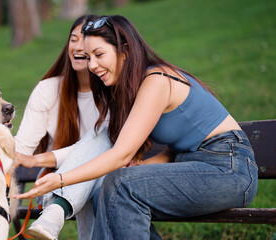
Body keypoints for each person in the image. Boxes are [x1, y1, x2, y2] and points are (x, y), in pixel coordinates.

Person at [15, 15, 258, 240]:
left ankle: (59, 208)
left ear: (125, 51)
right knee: (106, 190)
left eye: (99, 54)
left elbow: (121, 155)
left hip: (229, 169)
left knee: (120, 185)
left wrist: (61, 180)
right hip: (195, 163)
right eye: (88, 58)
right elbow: (174, 149)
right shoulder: (130, 90)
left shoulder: (157, 81)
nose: (91, 65)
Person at [14, 15, 111, 240]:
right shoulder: (48, 90)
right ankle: (55, 210)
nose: (78, 47)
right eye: (73, 39)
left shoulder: (113, 91)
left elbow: (108, 146)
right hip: (52, 184)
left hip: (105, 178)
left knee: (102, 145)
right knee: (97, 176)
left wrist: (38, 160)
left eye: (86, 41)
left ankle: (55, 214)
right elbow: (22, 147)